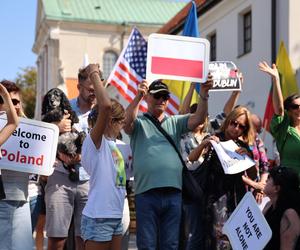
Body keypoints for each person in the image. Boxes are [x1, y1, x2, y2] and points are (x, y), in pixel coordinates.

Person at [123, 76, 213, 250]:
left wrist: (204, 94)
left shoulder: (174, 121)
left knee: (170, 245)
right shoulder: (139, 123)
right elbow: (126, 123)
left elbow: (199, 118)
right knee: (147, 245)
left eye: (165, 97)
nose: (161, 100)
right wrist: (137, 97)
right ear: (148, 97)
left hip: (173, 193)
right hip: (146, 193)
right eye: (157, 96)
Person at [179, 79, 243, 250]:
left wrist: (236, 91)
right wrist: (193, 86)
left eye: (202, 115)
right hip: (192, 189)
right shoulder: (184, 135)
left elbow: (226, 114)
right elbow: (182, 112)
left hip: (207, 190)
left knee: (209, 233)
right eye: (194, 116)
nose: (199, 119)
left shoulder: (211, 132)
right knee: (195, 233)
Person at [189, 106, 256, 249]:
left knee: (232, 238)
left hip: (235, 197)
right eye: (233, 123)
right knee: (214, 237)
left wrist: (248, 158)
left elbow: (253, 175)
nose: (236, 128)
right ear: (228, 121)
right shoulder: (215, 138)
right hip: (214, 196)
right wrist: (204, 144)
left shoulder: (242, 146)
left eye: (241, 126)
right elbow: (192, 157)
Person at [80, 64, 126, 250]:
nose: (123, 124)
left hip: (115, 216)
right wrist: (94, 74)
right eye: (119, 121)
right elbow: (105, 106)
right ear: (108, 120)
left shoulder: (114, 144)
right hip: (98, 216)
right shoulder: (94, 142)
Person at [0, 80, 31, 250]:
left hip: (22, 198)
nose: (12, 106)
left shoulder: (32, 129)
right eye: (7, 101)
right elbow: (12, 123)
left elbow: (13, 123)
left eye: (16, 102)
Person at [259, 61, 300, 175]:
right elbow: (279, 109)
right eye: (295, 107)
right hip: (291, 185)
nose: (299, 109)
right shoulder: (284, 129)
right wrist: (276, 79)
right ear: (289, 110)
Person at [263, 166, 300, 249]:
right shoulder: (269, 204)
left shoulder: (290, 215)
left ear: (276, 188)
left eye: (269, 178)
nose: (265, 180)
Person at [242, 113, 269, 203]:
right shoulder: (235, 139)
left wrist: (261, 186)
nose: (256, 133)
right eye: (253, 129)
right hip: (238, 188)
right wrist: (255, 185)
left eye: (259, 131)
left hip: (253, 191)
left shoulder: (257, 140)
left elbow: (265, 166)